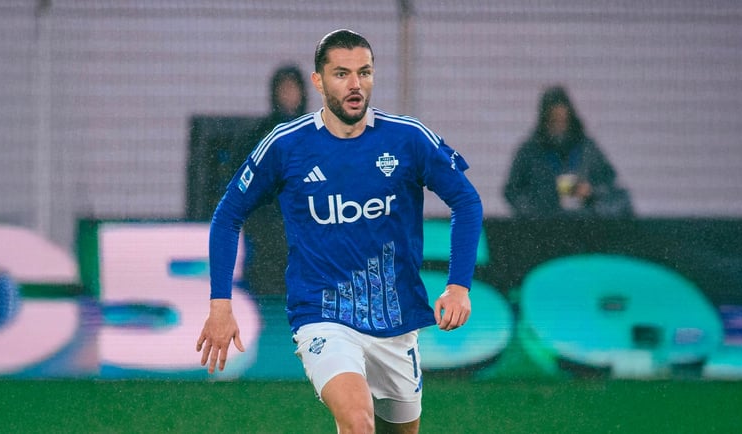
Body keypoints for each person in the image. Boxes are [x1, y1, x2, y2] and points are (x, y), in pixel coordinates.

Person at [196, 29, 483, 434]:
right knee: (357, 420)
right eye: (341, 74)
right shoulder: (286, 145)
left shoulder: (406, 138)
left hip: (396, 321)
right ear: (318, 81)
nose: (355, 84)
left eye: (364, 72)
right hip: (323, 316)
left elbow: (467, 202)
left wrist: (459, 286)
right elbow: (228, 216)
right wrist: (220, 304)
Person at [503, 85, 633, 218]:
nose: (559, 125)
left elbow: (609, 183)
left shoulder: (587, 149)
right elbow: (512, 191)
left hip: (585, 223)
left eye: (563, 120)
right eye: (554, 120)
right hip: (545, 226)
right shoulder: (529, 151)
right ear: (545, 120)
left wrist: (591, 192)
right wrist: (534, 212)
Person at [240, 64, 309, 295]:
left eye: (293, 89)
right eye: (284, 89)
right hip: (268, 241)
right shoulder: (261, 138)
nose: (289, 96)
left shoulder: (318, 136)